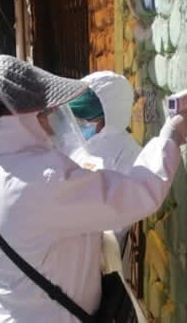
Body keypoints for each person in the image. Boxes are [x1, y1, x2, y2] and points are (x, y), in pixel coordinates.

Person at [0, 55, 187, 323]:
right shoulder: (43, 180)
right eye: (44, 113)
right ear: (23, 120)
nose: (51, 120)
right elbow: (138, 193)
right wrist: (170, 138)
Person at [69, 71, 142, 249]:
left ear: (109, 119)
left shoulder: (129, 155)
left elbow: (117, 221)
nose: (78, 125)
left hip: (98, 256)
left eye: (84, 121)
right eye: (75, 119)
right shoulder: (76, 142)